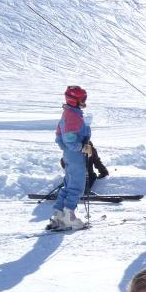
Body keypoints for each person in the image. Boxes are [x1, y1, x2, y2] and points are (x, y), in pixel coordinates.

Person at [48, 86, 92, 230]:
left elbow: (59, 135)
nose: (85, 101)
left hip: (69, 154)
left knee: (68, 184)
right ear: (74, 100)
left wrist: (67, 148)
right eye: (82, 99)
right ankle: (69, 216)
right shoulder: (73, 116)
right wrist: (81, 147)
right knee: (77, 186)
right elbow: (69, 139)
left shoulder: (68, 112)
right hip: (75, 155)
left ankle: (58, 214)